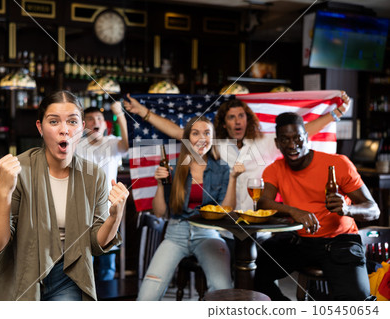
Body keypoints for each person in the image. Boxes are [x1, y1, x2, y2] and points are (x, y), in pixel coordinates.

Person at [0, 90, 129, 301]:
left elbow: (96, 244)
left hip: (69, 276)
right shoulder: (18, 169)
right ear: (40, 127)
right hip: (21, 274)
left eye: (72, 122)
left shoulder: (95, 176)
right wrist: (4, 191)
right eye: (54, 121)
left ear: (82, 128)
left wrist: (115, 216)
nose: (64, 130)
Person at [123, 92, 350, 212]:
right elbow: (181, 133)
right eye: (231, 117)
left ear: (248, 119)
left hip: (260, 220)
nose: (237, 121)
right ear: (224, 122)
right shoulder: (216, 145)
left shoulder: (267, 142)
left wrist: (336, 114)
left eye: (241, 116)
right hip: (227, 220)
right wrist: (143, 112)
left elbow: (302, 132)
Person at [254, 112, 380, 301]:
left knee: (357, 302)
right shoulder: (274, 169)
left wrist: (348, 210)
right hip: (302, 241)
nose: (292, 144)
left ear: (307, 137)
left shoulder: (338, 163)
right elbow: (263, 202)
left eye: (297, 138)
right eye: (285, 139)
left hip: (340, 242)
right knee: (257, 274)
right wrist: (293, 210)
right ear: (277, 143)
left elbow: (373, 209)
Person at [136, 116, 245, 300]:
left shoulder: (222, 169)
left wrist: (233, 178)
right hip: (175, 234)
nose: (202, 138)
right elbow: (160, 213)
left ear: (213, 137)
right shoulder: (173, 167)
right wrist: (160, 184)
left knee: (222, 290)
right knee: (146, 296)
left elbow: (225, 209)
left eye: (206, 133)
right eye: (195, 133)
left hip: (209, 234)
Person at [75, 101, 129, 281]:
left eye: (99, 118)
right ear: (83, 126)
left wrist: (119, 115)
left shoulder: (112, 142)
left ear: (105, 125)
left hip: (108, 208)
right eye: (89, 119)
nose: (95, 121)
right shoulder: (76, 145)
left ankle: (107, 292)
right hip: (81, 207)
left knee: (107, 254)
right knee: (83, 254)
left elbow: (127, 145)